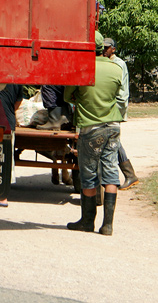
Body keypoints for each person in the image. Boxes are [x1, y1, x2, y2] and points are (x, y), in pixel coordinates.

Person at [65, 30, 125, 236]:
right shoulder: (116, 68)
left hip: (91, 128)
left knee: (89, 175)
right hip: (113, 127)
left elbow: (68, 95)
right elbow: (117, 94)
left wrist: (81, 100)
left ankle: (87, 221)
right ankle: (108, 225)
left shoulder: (82, 68)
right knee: (110, 173)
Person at [103, 37, 139, 190]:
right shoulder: (105, 63)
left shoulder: (119, 64)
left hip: (115, 108)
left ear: (114, 49)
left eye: (107, 48)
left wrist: (116, 108)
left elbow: (123, 92)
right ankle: (129, 174)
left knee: (113, 140)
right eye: (102, 48)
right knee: (111, 140)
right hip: (108, 108)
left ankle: (130, 175)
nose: (104, 50)